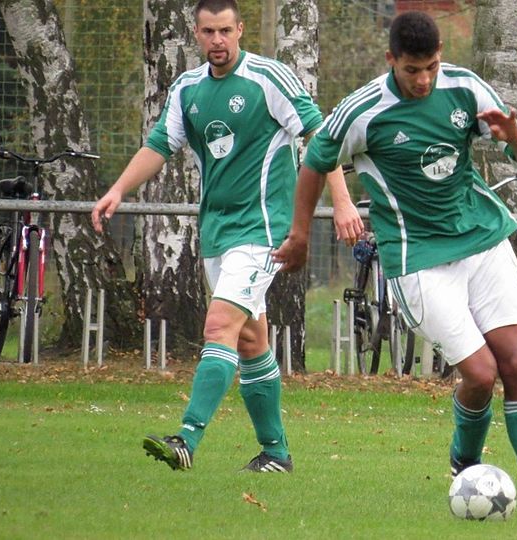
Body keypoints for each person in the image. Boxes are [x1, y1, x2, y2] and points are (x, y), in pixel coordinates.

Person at [273, 11, 517, 524]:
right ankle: (465, 459)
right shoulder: (363, 112)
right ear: (392, 61)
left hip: (481, 240)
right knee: (480, 374)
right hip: (417, 258)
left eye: (430, 66)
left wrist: (515, 136)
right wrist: (300, 235)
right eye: (412, 70)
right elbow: (315, 163)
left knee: (516, 365)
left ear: (441, 56)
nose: (424, 79)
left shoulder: (466, 89)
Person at [91, 0, 362, 473]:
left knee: (218, 327)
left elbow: (320, 137)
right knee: (251, 341)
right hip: (217, 232)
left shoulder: (269, 78)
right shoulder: (188, 88)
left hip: (263, 231)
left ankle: (187, 438)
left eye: (225, 31)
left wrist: (341, 201)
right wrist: (117, 188)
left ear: (240, 31)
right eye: (207, 32)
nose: (217, 40)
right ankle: (275, 454)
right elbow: (160, 144)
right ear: (196, 34)